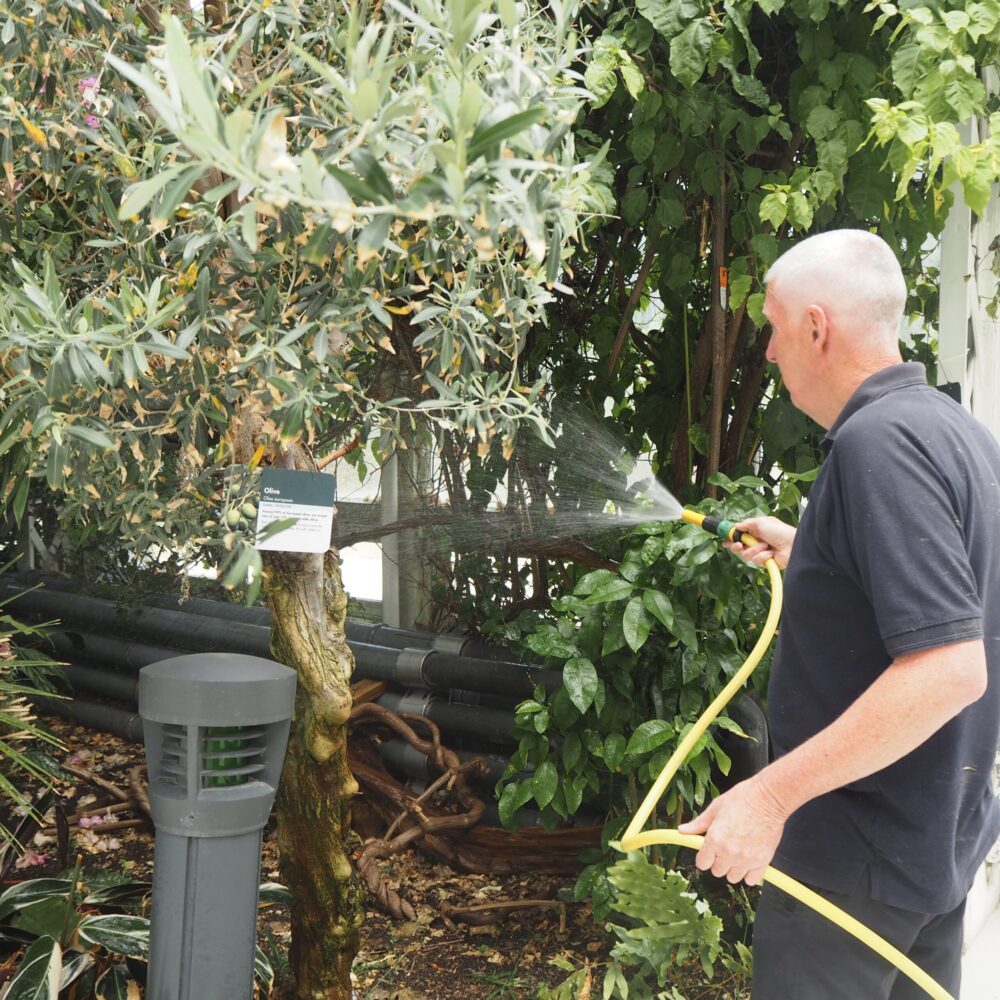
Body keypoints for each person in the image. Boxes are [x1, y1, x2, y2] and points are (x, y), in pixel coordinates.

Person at [678, 229, 1000, 999]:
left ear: (817, 327)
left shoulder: (876, 446)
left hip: (853, 868)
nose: (769, 354)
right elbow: (958, 594)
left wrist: (768, 796)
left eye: (776, 329)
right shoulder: (954, 430)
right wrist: (817, 554)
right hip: (931, 852)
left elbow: (950, 667)